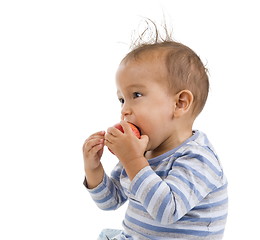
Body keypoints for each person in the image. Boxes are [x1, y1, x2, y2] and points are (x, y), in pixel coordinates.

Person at [82, 20, 228, 240]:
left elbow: (167, 210)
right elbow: (110, 202)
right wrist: (93, 169)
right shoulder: (140, 153)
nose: (124, 111)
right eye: (121, 100)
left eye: (136, 95)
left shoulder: (199, 159)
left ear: (180, 103)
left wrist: (133, 160)